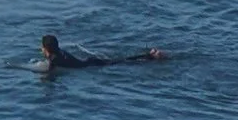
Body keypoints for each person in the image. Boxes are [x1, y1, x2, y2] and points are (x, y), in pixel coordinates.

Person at [37, 34, 167, 73]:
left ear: (46, 49)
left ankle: (151, 57)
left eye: (42, 47)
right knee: (120, 60)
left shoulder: (54, 59)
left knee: (121, 62)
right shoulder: (58, 52)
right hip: (90, 61)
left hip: (90, 66)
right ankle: (149, 55)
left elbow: (49, 72)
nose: (40, 49)